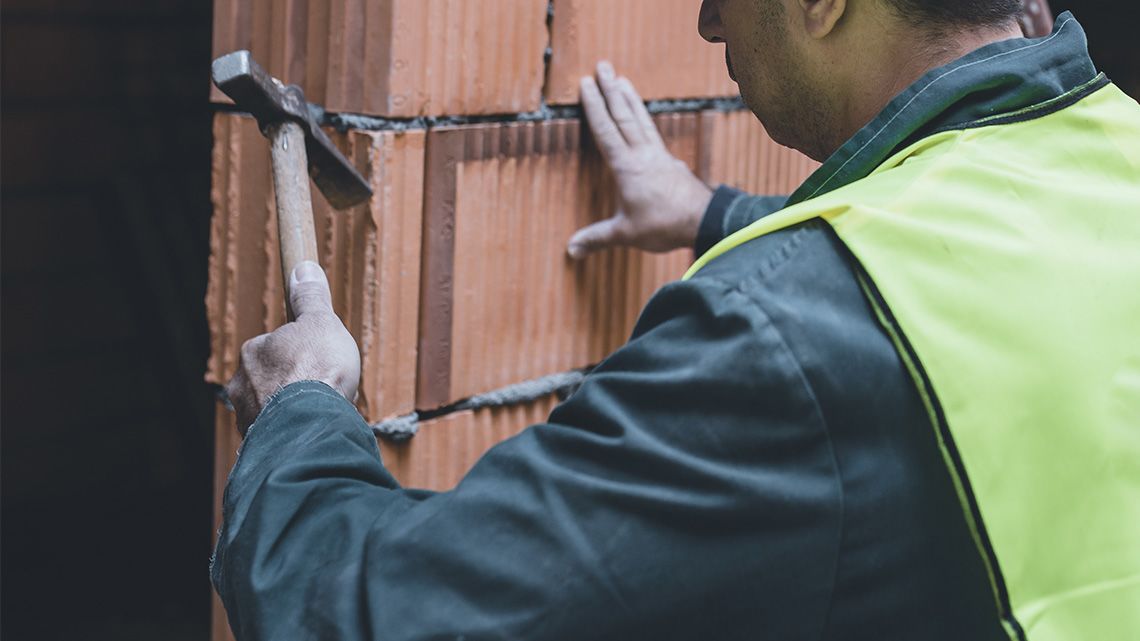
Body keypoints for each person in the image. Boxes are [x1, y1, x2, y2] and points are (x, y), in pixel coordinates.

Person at [214, 1, 1140, 639]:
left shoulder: (773, 338)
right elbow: (961, 290)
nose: (706, 20)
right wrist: (710, 216)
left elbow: (371, 614)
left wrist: (303, 410)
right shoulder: (1112, 153)